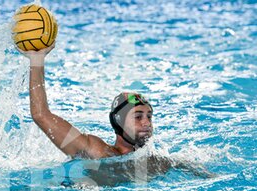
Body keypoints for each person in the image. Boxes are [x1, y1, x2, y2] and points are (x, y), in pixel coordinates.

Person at [21, 43, 214, 181]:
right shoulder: (94, 151)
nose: (147, 122)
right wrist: (37, 60)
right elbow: (41, 115)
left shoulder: (158, 163)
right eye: (138, 117)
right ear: (119, 122)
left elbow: (206, 176)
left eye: (149, 116)